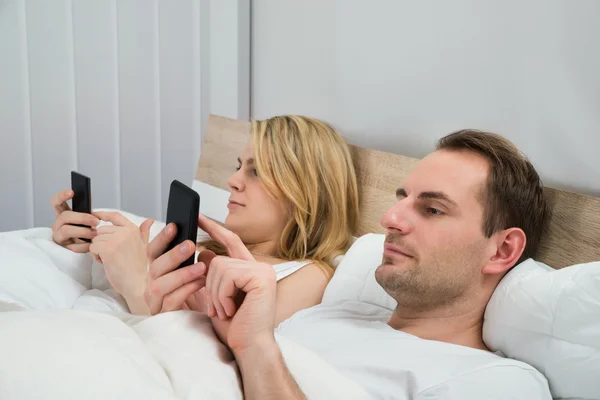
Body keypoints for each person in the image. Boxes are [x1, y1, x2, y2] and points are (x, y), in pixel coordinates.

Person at [150, 129, 553, 399]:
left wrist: (255, 348)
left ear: (501, 251)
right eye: (401, 199)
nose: (390, 220)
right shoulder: (332, 315)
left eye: (431, 209)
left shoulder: (495, 383)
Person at [49, 115, 359, 320]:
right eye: (239, 166)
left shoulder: (306, 277)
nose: (233, 181)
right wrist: (85, 240)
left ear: (305, 192)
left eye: (257, 171)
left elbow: (229, 359)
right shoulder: (197, 245)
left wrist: (136, 284)